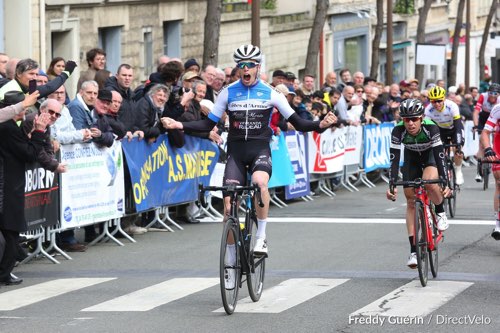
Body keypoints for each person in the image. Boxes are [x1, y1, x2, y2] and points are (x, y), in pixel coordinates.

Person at [161, 44, 337, 270]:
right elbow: (207, 123)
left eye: (250, 65)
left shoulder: (271, 93)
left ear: (257, 67)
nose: (245, 69)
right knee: (227, 208)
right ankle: (232, 257)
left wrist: (320, 125)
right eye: (241, 65)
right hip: (236, 153)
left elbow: (299, 122)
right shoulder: (228, 92)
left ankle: (261, 236)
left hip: (259, 150)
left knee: (259, 182)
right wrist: (178, 124)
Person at [386, 99, 451, 269]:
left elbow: (440, 155)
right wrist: (392, 184)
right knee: (410, 201)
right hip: (412, 157)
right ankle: (414, 250)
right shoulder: (398, 131)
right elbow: (394, 159)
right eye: (407, 119)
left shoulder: (431, 128)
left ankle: (440, 210)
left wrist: (445, 181)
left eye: (414, 119)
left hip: (430, 155)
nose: (410, 123)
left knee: (429, 182)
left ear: (421, 118)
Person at [0, 91, 52, 285]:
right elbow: (29, 153)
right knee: (12, 232)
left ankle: (6, 270)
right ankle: (4, 272)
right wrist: (39, 131)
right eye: (24, 107)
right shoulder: (8, 129)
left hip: (10, 184)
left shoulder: (12, 127)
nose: (27, 111)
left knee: (11, 233)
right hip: (8, 187)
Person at [424, 86, 465, 185]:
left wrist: (458, 144)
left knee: (458, 150)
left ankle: (458, 171)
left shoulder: (452, 106)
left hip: (454, 129)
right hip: (441, 130)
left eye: (439, 101)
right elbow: (426, 127)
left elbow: (458, 125)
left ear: (444, 99)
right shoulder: (428, 110)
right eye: (433, 101)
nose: (436, 104)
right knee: (438, 151)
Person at [480, 103, 500, 240]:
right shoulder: (498, 108)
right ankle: (498, 223)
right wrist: (487, 148)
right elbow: (486, 132)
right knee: (499, 182)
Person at [473, 83, 500, 182]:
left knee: (495, 137)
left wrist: (496, 128)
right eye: (491, 93)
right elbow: (476, 112)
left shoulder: (499, 102)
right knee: (482, 142)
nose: (493, 95)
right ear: (487, 92)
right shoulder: (482, 96)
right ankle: (479, 170)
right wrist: (476, 125)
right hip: (484, 118)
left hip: (495, 118)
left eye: (495, 93)